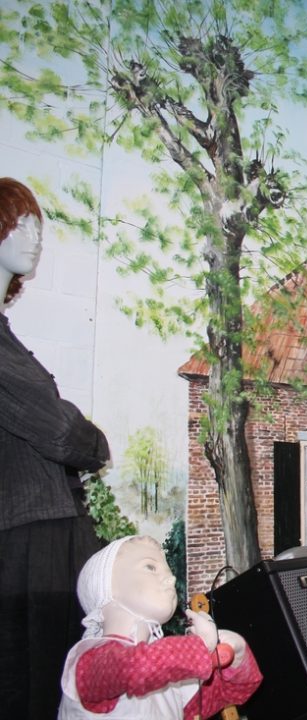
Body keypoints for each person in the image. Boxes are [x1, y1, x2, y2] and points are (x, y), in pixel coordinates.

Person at [0, 177, 110, 718]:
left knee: (56, 681)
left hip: (45, 529)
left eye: (38, 226)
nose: (35, 237)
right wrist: (96, 442)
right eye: (21, 224)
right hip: (27, 536)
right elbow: (61, 431)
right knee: (33, 683)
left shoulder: (7, 338)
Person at [59, 535, 262, 718]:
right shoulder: (89, 663)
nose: (171, 578)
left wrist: (238, 656)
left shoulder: (168, 682)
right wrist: (201, 646)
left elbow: (229, 694)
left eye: (168, 569)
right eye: (150, 567)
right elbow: (135, 668)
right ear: (104, 586)